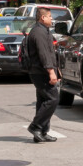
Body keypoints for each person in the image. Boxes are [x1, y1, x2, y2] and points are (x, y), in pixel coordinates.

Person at [23, 7, 60, 143]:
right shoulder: (38, 32)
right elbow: (43, 54)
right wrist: (51, 72)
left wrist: (57, 72)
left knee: (43, 100)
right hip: (40, 72)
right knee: (53, 99)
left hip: (41, 71)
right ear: (42, 18)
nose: (51, 19)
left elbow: (50, 53)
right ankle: (35, 126)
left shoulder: (43, 31)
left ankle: (42, 132)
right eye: (49, 16)